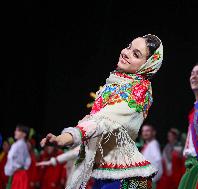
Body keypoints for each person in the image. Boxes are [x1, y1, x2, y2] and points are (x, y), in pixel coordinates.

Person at [40, 34, 163, 189]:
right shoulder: (115, 85)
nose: (126, 52)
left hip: (124, 179)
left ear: (148, 65)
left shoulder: (139, 90)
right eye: (128, 47)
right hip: (106, 175)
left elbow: (103, 123)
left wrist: (65, 138)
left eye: (136, 54)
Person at [4, 124, 31, 189]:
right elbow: (27, 162)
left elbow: (10, 159)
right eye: (16, 130)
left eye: (18, 130)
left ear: (24, 134)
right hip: (21, 174)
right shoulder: (23, 145)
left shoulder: (17, 145)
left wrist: (9, 171)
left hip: (18, 175)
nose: (15, 132)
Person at [140, 124, 163, 188]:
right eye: (143, 131)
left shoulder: (154, 144)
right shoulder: (148, 145)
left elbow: (158, 162)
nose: (145, 133)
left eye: (147, 131)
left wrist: (153, 179)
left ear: (153, 133)